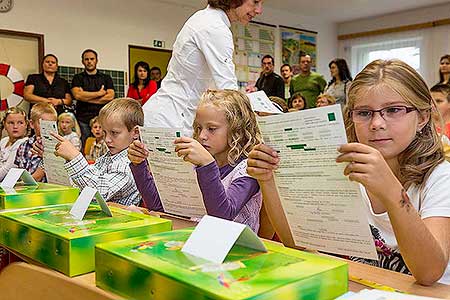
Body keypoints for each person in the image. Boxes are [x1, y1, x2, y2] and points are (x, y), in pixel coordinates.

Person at [247, 59, 450, 285]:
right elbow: (297, 242)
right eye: (364, 113)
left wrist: (391, 191)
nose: (376, 123)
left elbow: (429, 273)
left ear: (422, 117)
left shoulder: (440, 177)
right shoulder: (343, 169)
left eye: (393, 110)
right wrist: (267, 180)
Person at [129, 90, 263, 232]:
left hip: (235, 250)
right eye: (198, 128)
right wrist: (139, 165)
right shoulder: (195, 164)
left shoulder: (248, 170)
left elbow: (222, 216)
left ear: (237, 130)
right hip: (193, 241)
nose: (202, 136)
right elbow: (159, 206)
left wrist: (207, 165)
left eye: (211, 129)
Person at [142, 0, 264, 136]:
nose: (259, 10)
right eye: (255, 1)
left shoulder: (203, 18)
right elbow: (229, 90)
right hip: (170, 120)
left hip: (165, 114)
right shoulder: (215, 28)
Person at [51, 98, 142, 206]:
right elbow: (78, 186)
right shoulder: (107, 158)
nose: (107, 139)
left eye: (114, 133)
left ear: (135, 132)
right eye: (104, 132)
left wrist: (75, 157)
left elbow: (98, 193)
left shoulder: (130, 163)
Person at [71, 49, 115, 148]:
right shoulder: (78, 78)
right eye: (86, 59)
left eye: (92, 59)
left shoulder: (106, 78)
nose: (89, 61)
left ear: (96, 60)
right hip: (83, 119)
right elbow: (77, 95)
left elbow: (110, 96)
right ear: (82, 61)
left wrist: (86, 97)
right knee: (85, 146)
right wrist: (100, 93)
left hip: (103, 118)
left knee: (105, 146)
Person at [14, 103, 57, 182]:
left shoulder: (57, 148)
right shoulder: (23, 146)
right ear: (32, 124)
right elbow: (19, 172)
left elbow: (37, 177)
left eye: (52, 124)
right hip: (26, 189)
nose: (48, 128)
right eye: (43, 123)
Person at [0, 107, 28, 181]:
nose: (15, 127)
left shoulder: (24, 143)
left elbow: (7, 170)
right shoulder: (3, 141)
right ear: (4, 124)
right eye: (11, 123)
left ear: (26, 125)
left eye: (20, 123)